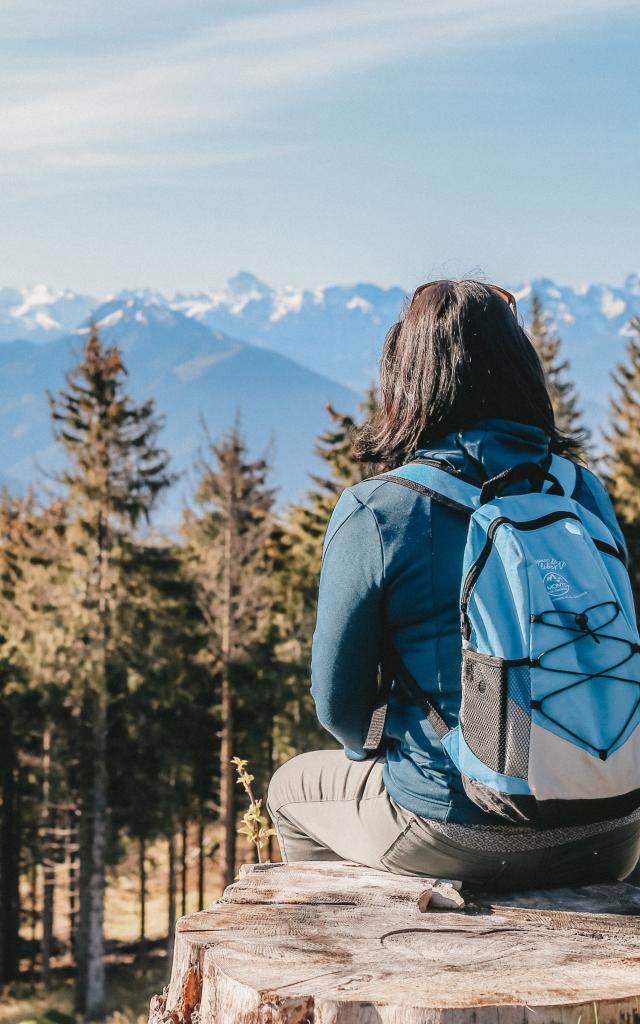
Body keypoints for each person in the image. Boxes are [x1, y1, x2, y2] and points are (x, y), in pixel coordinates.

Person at [267, 279, 640, 889]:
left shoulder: (378, 509)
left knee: (289, 789)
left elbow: (339, 704)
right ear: (523, 371)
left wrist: (388, 753)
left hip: (455, 827)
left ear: (407, 378)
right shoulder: (580, 492)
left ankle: (357, 956)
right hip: (615, 827)